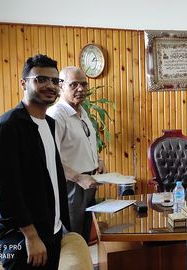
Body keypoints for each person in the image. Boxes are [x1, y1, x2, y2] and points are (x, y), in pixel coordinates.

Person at [0, 54, 70, 269]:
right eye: (41, 79)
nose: (50, 85)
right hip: (23, 237)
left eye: (54, 80)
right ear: (24, 83)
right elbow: (6, 191)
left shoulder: (49, 124)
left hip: (51, 229)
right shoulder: (7, 127)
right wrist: (30, 236)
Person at [47, 66, 105, 243]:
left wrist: (98, 160)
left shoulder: (81, 110)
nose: (80, 89)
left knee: (84, 234)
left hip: (88, 182)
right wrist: (79, 178)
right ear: (60, 86)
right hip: (70, 185)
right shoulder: (56, 115)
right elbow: (51, 157)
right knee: (72, 238)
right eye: (73, 85)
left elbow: (85, 140)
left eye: (83, 84)